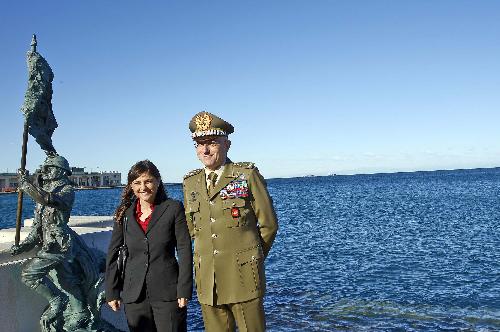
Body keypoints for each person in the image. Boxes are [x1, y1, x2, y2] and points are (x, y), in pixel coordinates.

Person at [182, 111, 279, 332]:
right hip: (208, 279)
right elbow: (192, 230)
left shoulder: (246, 175)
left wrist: (251, 258)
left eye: (211, 143)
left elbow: (269, 225)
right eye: (199, 144)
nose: (205, 150)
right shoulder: (190, 183)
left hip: (244, 277)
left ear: (227, 144)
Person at [105, 160, 192, 332]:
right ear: (131, 186)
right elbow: (114, 252)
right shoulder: (124, 214)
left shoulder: (173, 208)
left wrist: (184, 289)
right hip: (134, 295)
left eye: (148, 181)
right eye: (137, 183)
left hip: (168, 292)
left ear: (158, 181)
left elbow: (184, 249)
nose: (143, 187)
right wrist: (112, 291)